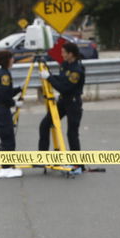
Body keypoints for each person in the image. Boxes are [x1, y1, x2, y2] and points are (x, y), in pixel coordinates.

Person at [37, 41, 85, 172]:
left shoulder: (77, 70)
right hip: (63, 101)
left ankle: (78, 164)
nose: (62, 54)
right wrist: (50, 76)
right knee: (45, 124)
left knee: (72, 134)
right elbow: (62, 79)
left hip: (73, 103)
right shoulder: (65, 65)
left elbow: (64, 87)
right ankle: (42, 157)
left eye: (64, 52)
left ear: (71, 54)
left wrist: (49, 78)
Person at [0, 49, 23, 179]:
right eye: (11, 58)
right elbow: (4, 96)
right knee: (8, 140)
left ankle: (5, 165)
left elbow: (5, 92)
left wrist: (18, 89)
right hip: (2, 109)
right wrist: (14, 103)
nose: (13, 60)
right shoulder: (4, 75)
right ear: (7, 60)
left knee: (6, 138)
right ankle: (6, 169)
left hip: (1, 109)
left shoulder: (3, 73)